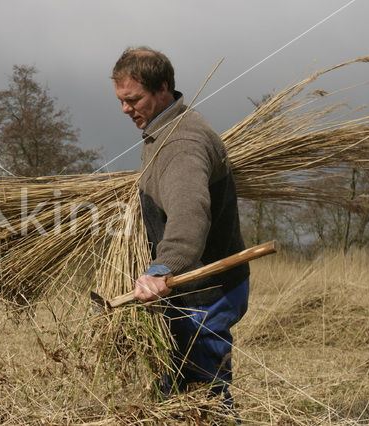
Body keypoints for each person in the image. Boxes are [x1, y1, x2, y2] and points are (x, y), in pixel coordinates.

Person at [112, 47, 250, 406]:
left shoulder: (180, 144)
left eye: (133, 99)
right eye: (121, 100)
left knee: (203, 399)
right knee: (176, 394)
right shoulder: (164, 130)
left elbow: (190, 215)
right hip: (190, 289)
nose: (125, 109)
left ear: (163, 88)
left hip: (204, 290)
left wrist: (162, 268)